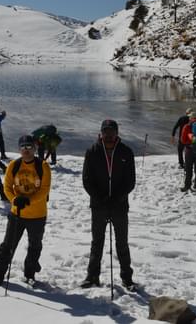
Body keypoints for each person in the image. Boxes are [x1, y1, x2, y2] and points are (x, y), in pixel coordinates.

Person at [0, 135, 51, 289]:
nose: (26, 150)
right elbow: (7, 187)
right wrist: (14, 199)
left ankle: (30, 274)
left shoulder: (42, 166)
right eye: (23, 147)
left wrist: (29, 201)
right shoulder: (13, 165)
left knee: (35, 246)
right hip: (17, 214)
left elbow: (44, 190)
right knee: (8, 245)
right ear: (19, 149)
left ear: (35, 149)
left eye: (29, 147)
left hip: (37, 215)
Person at [80, 119, 136, 291]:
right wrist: (100, 198)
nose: (109, 136)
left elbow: (130, 180)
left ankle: (127, 278)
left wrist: (118, 197)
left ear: (117, 133)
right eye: (106, 132)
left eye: (112, 132)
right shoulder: (93, 151)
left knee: (122, 243)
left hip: (119, 205)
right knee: (97, 242)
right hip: (99, 205)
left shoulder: (126, 151)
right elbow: (87, 179)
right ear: (101, 133)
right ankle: (92, 276)